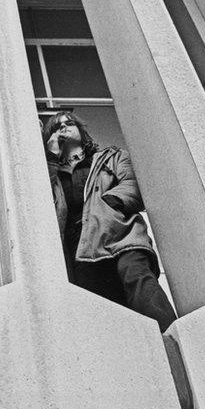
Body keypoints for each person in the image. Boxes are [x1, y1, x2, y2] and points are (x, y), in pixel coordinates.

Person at [43, 111, 177, 330]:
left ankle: (170, 339)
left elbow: (133, 184)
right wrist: (51, 159)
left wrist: (110, 202)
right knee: (102, 310)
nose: (64, 128)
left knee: (138, 280)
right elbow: (41, 201)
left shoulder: (111, 157)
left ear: (81, 130)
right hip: (80, 249)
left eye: (70, 123)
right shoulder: (51, 172)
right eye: (57, 127)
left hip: (120, 233)